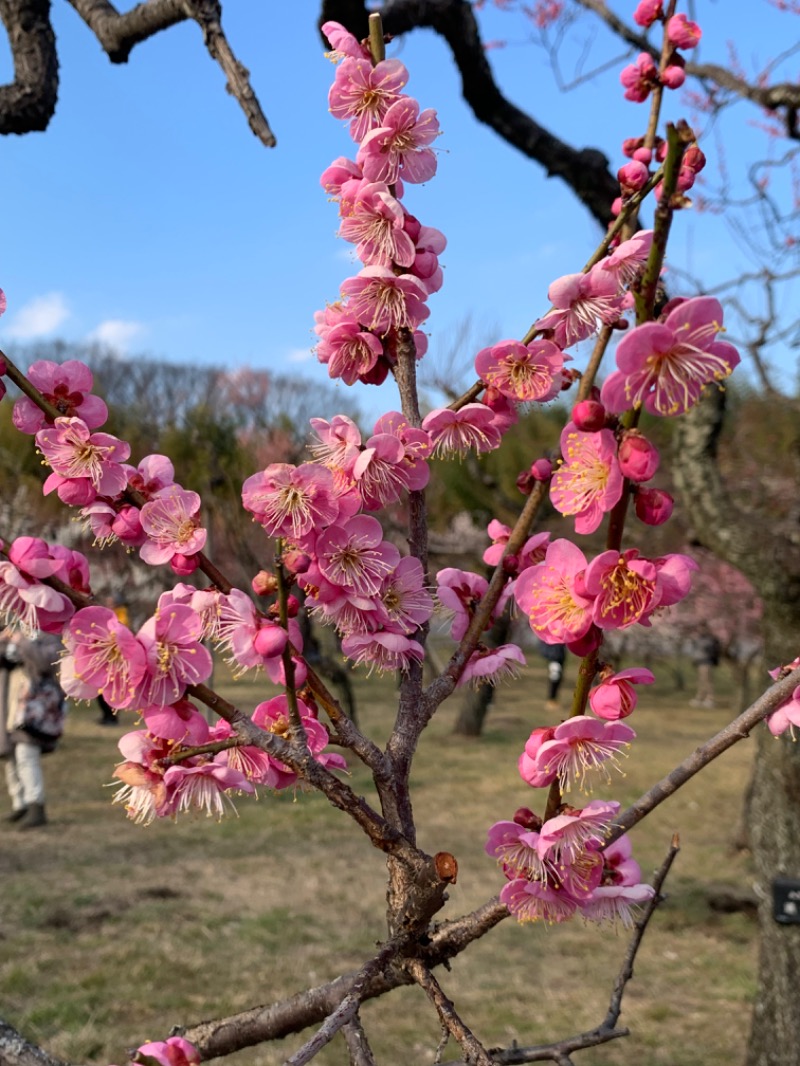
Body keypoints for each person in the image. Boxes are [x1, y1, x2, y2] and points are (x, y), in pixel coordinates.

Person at [2, 631, 67, 829]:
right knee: (10, 756)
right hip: (11, 705)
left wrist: (21, 641)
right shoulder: (10, 632)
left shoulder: (49, 636)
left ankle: (36, 806)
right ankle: (20, 802)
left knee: (26, 754)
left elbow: (46, 662)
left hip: (33, 708)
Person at [689, 625, 722, 709]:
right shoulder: (700, 639)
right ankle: (700, 697)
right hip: (700, 662)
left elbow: (708, 649)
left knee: (707, 681)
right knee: (701, 680)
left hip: (706, 662)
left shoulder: (708, 640)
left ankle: (709, 699)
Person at [539, 640, 566, 711]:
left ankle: (553, 699)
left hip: (559, 656)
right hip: (554, 657)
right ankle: (551, 700)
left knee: (557, 677)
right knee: (555, 677)